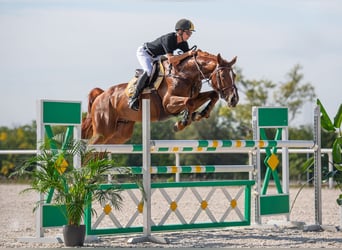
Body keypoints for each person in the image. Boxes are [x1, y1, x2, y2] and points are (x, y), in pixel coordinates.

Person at [128, 18, 197, 111]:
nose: (189, 35)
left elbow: (187, 58)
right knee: (148, 71)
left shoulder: (183, 44)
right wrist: (188, 54)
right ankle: (133, 98)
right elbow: (172, 59)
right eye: (188, 33)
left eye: (190, 33)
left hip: (157, 56)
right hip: (145, 53)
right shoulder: (169, 39)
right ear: (180, 31)